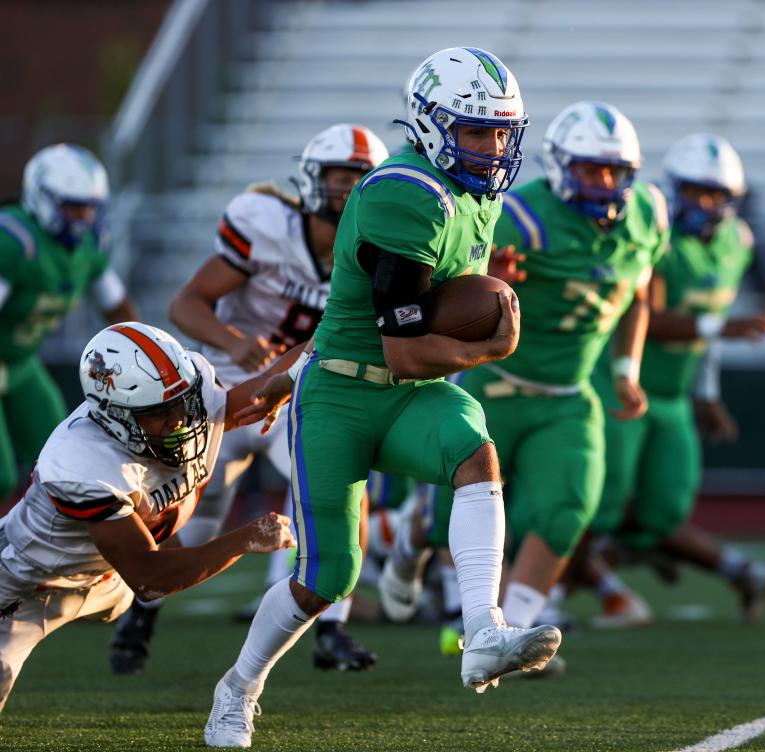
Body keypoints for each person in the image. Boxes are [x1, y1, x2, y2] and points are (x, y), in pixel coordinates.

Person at [204, 47, 561, 749]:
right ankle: (238, 687)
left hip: (412, 394)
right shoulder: (406, 194)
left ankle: (483, 630)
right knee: (326, 578)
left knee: (474, 451)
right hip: (341, 392)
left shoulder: (471, 192)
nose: (493, 148)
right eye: (476, 130)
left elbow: (437, 312)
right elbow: (401, 346)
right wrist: (490, 348)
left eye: (500, 132)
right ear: (431, 125)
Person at [385, 101, 668, 652]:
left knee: (568, 510)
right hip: (496, 382)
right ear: (562, 166)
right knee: (452, 508)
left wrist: (627, 368)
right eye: (590, 169)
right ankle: (406, 538)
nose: (605, 182)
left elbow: (637, 296)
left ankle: (511, 634)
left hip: (569, 393)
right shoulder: (523, 217)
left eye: (614, 171)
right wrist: (487, 276)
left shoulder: (647, 219)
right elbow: (446, 287)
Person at [108, 124, 388, 676]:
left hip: (311, 385)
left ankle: (331, 628)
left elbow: (342, 334)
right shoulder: (264, 226)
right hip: (230, 386)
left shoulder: (379, 247)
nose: (347, 189)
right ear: (314, 180)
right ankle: (140, 612)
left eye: (359, 179)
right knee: (200, 509)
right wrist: (237, 342)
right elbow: (188, 304)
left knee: (343, 493)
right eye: (339, 177)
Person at [0, 321, 299, 716]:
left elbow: (257, 393)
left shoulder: (188, 394)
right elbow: (151, 579)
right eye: (160, 412)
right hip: (25, 590)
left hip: (106, 578)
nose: (179, 420)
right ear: (114, 416)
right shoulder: (81, 463)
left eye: (184, 402)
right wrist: (243, 539)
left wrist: (324, 339)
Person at [581, 133, 765, 627]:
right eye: (694, 191)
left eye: (714, 195)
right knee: (601, 501)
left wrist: (706, 392)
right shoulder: (659, 234)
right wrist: (724, 329)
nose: (703, 204)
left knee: (663, 506)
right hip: (624, 385)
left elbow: (710, 317)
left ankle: (625, 559)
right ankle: (564, 592)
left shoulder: (738, 243)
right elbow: (649, 314)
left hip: (673, 394)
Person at [0, 144, 138, 500]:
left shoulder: (88, 248)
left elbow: (117, 307)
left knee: (59, 458)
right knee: (0, 475)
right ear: (43, 199)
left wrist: (144, 355)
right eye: (74, 207)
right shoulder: (15, 241)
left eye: (90, 208)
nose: (84, 218)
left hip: (21, 363)